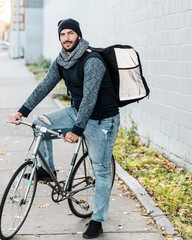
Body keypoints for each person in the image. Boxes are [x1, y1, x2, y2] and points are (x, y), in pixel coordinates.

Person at [8, 18, 120, 239]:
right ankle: (47, 171)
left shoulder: (92, 60)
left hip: (102, 120)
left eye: (70, 33)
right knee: (40, 125)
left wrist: (77, 130)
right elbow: (45, 85)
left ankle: (97, 220)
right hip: (77, 111)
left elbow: (90, 98)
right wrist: (23, 110)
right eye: (62, 34)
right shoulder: (62, 60)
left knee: (101, 169)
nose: (66, 38)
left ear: (78, 35)